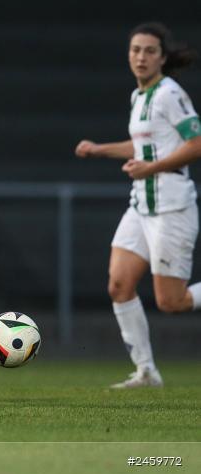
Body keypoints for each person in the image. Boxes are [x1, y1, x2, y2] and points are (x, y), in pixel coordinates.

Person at [75, 22, 201, 389]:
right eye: (135, 50)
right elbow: (145, 147)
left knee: (172, 301)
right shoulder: (139, 96)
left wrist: (151, 167)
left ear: (162, 57)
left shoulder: (168, 94)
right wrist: (100, 150)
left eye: (149, 50)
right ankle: (146, 371)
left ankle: (147, 370)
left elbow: (195, 144)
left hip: (171, 204)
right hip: (142, 203)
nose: (141, 57)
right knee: (119, 284)